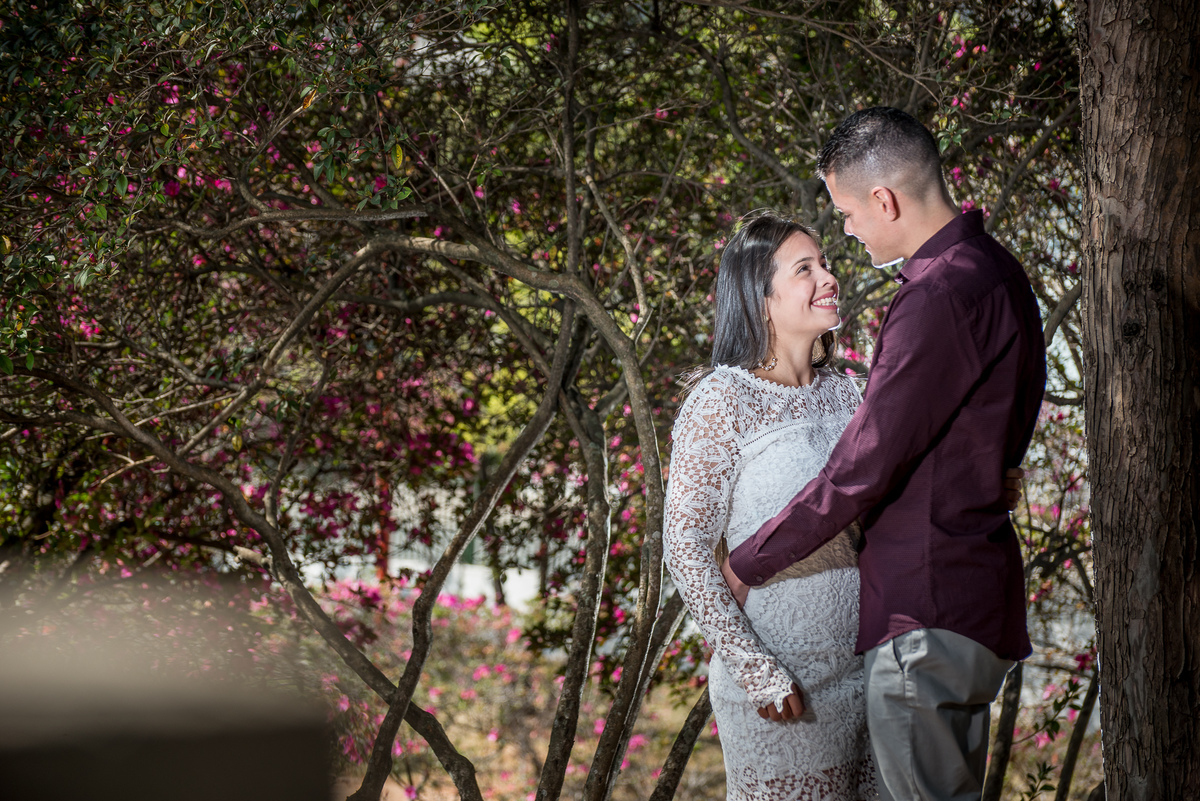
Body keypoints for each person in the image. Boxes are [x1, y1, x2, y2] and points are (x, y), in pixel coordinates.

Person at [721, 108, 1047, 801]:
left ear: (884, 200)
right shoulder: (1000, 272)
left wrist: (748, 561)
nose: (847, 231)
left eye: (846, 214)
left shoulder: (937, 295)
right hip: (974, 600)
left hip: (925, 610)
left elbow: (863, 466)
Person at [663, 211, 1025, 800]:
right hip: (784, 686)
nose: (828, 277)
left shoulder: (845, 391)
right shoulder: (720, 400)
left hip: (871, 672)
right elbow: (685, 550)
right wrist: (754, 669)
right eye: (805, 269)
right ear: (760, 298)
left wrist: (978, 478)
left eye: (825, 263)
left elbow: (883, 489)